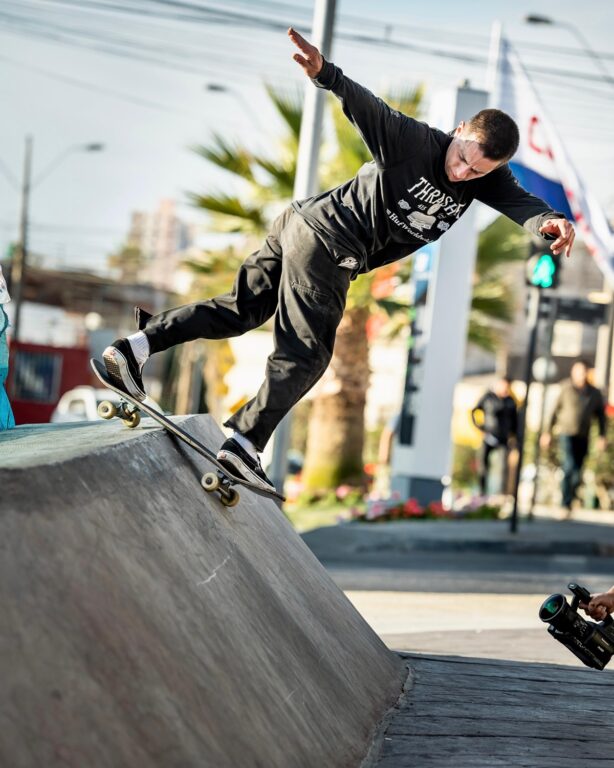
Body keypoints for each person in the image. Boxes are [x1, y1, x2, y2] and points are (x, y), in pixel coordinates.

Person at [102, 27, 575, 493]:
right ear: (458, 132)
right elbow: (366, 106)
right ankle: (245, 442)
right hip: (329, 242)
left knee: (239, 310)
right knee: (307, 354)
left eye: (476, 170)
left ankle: (132, 349)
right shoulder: (413, 141)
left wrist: (550, 221)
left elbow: (524, 205)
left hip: (301, 225)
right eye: (461, 157)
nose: (461, 171)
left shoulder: (488, 179)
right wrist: (324, 72)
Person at [540, 360, 607, 512]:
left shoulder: (594, 393)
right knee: (569, 465)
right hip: (566, 433)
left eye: (583, 371)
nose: (580, 375)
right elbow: (553, 412)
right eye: (577, 371)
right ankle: (565, 503)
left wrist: (602, 436)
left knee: (578, 470)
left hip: (583, 435)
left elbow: (601, 417)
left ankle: (571, 498)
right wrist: (547, 432)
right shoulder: (566, 388)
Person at [471, 377, 518, 495]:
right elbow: (474, 411)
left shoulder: (510, 401)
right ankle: (482, 492)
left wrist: (513, 437)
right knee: (484, 465)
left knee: (503, 466)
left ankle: (501, 492)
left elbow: (515, 420)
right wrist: (480, 428)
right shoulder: (488, 397)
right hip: (488, 436)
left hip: (503, 438)